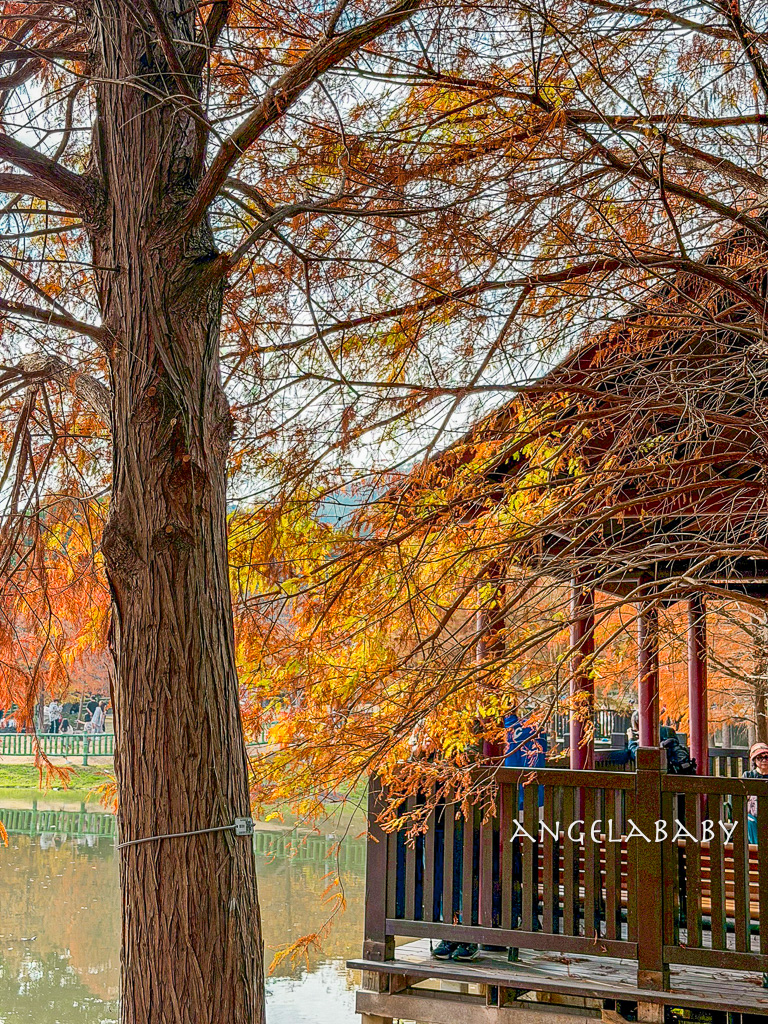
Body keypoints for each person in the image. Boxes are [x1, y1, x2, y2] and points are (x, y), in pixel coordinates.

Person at [743, 741, 768, 845]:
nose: (764, 760)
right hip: (754, 815)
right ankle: (758, 851)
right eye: (759, 757)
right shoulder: (748, 775)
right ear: (754, 760)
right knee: (750, 821)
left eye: (766, 757)